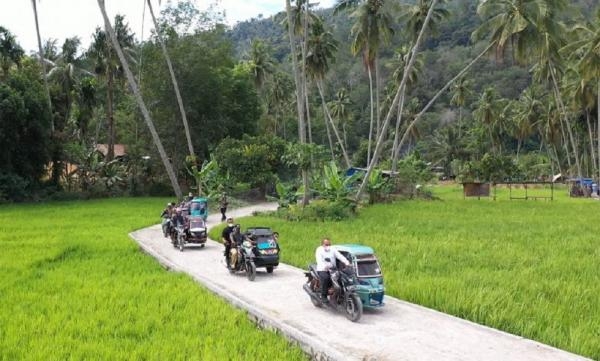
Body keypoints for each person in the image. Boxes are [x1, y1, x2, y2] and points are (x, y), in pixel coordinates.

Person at [315, 238, 350, 304]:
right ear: (322, 244)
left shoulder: (333, 249)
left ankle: (340, 295)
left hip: (333, 269)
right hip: (322, 269)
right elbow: (319, 260)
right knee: (326, 278)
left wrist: (347, 262)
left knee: (341, 278)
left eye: (329, 244)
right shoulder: (319, 250)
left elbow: (339, 256)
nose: (328, 246)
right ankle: (324, 296)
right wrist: (325, 267)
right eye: (326, 244)